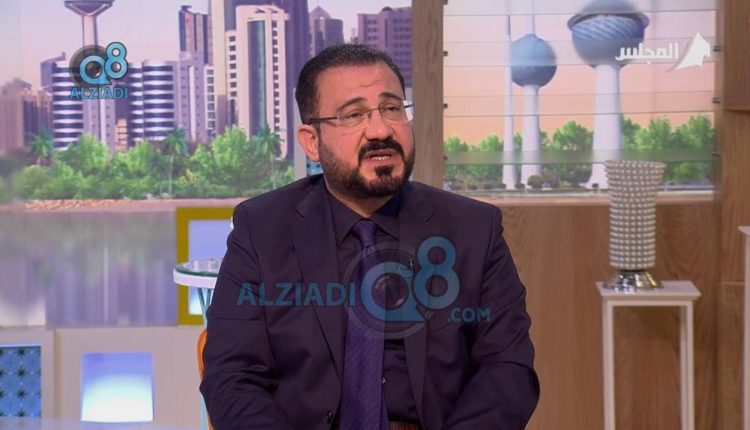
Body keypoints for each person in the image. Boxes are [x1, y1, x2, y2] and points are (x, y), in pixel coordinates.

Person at [200, 44, 539, 430]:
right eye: (353, 115)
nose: (381, 130)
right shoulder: (261, 229)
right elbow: (232, 377)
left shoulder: (474, 229)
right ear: (312, 141)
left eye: (392, 108)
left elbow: (507, 370)